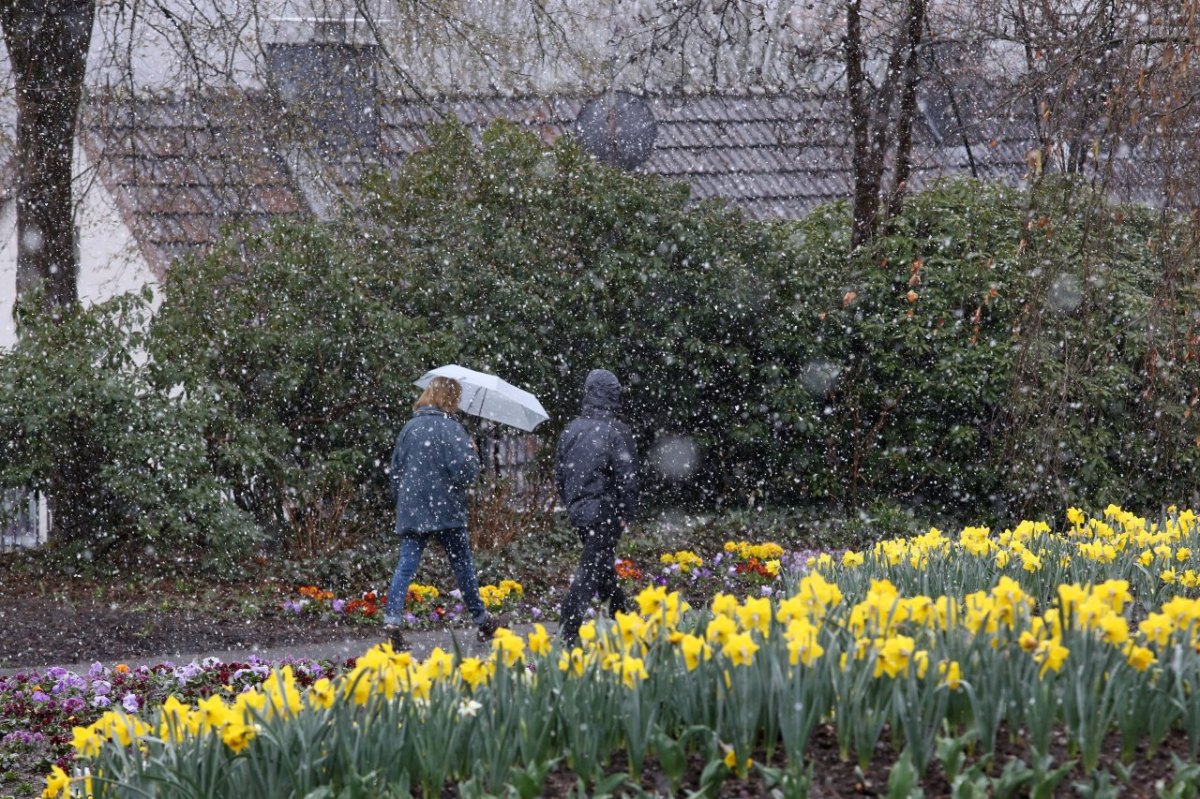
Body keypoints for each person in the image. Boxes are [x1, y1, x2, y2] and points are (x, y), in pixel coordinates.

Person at [382, 376, 501, 651]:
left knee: (406, 564)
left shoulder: (409, 428)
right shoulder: (453, 430)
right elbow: (466, 475)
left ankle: (392, 621)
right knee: (462, 565)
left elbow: (396, 471)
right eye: (456, 397)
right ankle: (482, 620)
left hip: (413, 507)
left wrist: (402, 503)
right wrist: (472, 453)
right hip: (446, 508)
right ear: (450, 399)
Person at [555, 368, 640, 646]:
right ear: (613, 395)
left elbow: (560, 474)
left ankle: (621, 616)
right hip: (606, 512)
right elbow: (627, 476)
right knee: (591, 570)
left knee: (601, 566)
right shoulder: (616, 431)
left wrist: (572, 505)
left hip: (580, 511)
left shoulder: (571, 430)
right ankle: (568, 628)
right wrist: (626, 512)